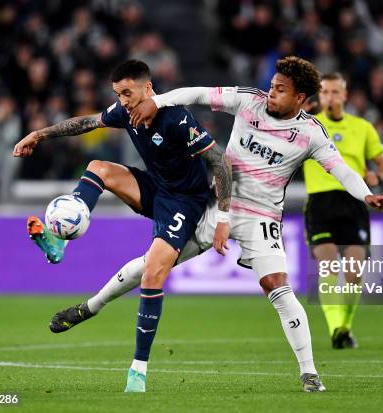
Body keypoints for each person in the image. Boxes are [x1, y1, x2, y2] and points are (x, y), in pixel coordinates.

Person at [91, 56, 383, 393]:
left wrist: (367, 196)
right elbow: (198, 94)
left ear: (300, 99)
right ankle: (92, 305)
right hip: (218, 204)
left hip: (262, 217)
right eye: (272, 84)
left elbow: (341, 170)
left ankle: (309, 372)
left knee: (278, 287)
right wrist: (156, 102)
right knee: (154, 264)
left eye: (280, 89)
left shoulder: (311, 134)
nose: (271, 92)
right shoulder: (250, 100)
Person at [12, 59, 232, 391]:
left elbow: (219, 161)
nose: (124, 101)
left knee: (152, 272)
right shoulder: (124, 112)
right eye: (119, 94)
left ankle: (137, 371)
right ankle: (63, 237)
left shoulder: (176, 117)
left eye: (128, 93)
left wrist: (224, 219)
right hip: (154, 188)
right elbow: (86, 123)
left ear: (148, 87)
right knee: (98, 166)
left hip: (185, 203)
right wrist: (39, 134)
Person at [302, 72, 383, 349]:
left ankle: (345, 326)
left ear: (344, 94)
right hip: (320, 202)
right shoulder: (310, 125)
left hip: (355, 201)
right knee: (328, 265)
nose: (329, 97)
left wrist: (377, 177)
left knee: (354, 271)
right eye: (325, 92)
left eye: (334, 92)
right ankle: (336, 329)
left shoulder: (363, 127)